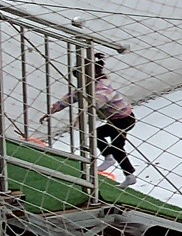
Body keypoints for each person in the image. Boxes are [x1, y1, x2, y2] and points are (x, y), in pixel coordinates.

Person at [43, 55, 138, 186]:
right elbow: (72, 96)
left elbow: (96, 103)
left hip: (124, 119)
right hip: (114, 119)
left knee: (104, 139)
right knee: (113, 144)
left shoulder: (102, 87)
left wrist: (80, 116)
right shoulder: (87, 86)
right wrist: (53, 110)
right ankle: (128, 174)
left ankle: (110, 159)